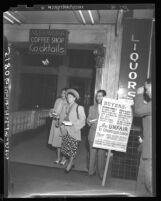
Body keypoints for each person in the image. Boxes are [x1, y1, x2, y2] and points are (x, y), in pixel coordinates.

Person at [59, 89, 86, 173]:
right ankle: (72, 162)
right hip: (65, 130)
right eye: (68, 97)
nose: (69, 98)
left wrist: (73, 125)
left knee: (72, 149)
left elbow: (83, 120)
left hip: (74, 131)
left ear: (74, 98)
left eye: (71, 97)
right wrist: (60, 123)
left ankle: (70, 164)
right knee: (66, 149)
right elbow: (63, 117)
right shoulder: (66, 106)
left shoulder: (79, 108)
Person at [134, 79, 152, 196]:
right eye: (145, 89)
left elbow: (139, 110)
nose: (146, 91)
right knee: (141, 180)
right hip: (147, 146)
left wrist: (139, 94)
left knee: (150, 183)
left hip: (150, 150)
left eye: (147, 88)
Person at [87, 89, 107, 180]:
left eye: (100, 95)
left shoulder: (109, 108)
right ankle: (91, 171)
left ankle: (101, 173)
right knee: (92, 154)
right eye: (97, 96)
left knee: (101, 155)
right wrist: (90, 122)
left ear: (104, 97)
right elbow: (88, 121)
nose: (98, 97)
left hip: (103, 136)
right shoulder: (92, 108)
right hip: (93, 134)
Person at [48, 88, 67, 164]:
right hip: (55, 122)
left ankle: (64, 158)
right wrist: (52, 111)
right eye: (62, 93)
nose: (63, 95)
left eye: (65, 93)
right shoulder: (57, 100)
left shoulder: (68, 102)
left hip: (63, 124)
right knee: (57, 141)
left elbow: (67, 114)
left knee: (63, 142)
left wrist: (61, 117)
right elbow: (55, 110)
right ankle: (58, 158)